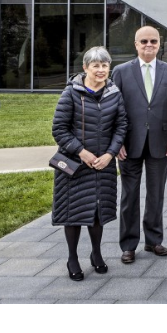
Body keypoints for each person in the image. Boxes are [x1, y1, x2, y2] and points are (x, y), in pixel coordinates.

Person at [51, 46, 128, 281]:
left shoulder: (114, 93)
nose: (101, 69)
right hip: (75, 164)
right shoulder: (71, 93)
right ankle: (72, 258)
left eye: (105, 65)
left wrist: (110, 154)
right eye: (96, 65)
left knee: (98, 212)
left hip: (102, 164)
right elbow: (59, 129)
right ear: (85, 68)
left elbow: (121, 126)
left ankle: (96, 254)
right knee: (72, 212)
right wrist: (82, 152)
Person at [112, 26, 167, 263]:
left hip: (160, 144)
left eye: (153, 41)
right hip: (129, 144)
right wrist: (116, 142)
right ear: (136, 44)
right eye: (144, 41)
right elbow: (114, 110)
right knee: (129, 195)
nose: (148, 45)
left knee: (156, 194)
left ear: (159, 44)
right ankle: (129, 245)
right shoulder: (121, 72)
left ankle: (154, 241)